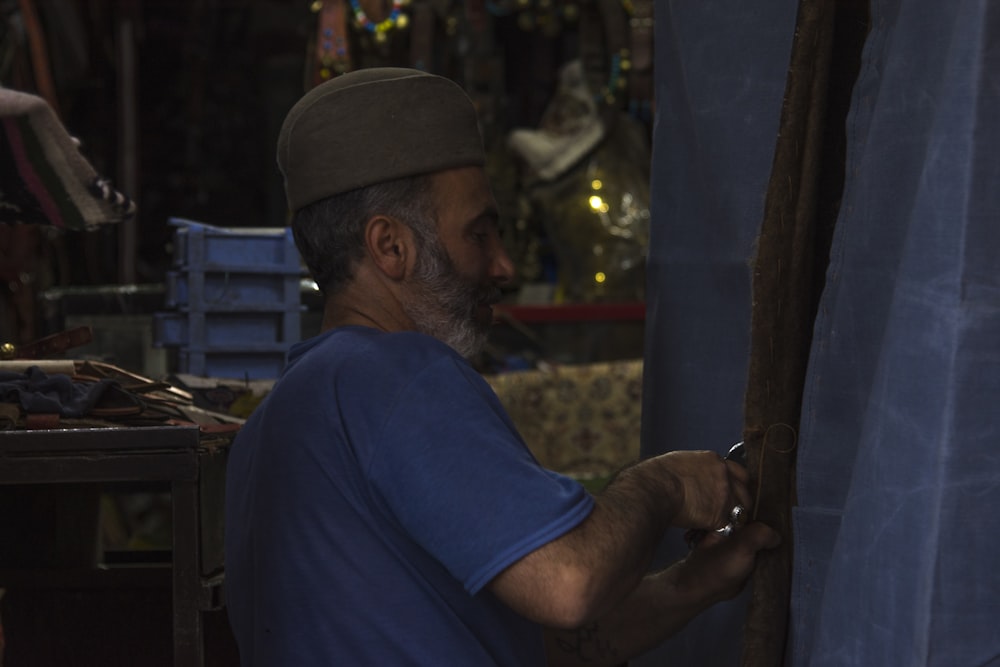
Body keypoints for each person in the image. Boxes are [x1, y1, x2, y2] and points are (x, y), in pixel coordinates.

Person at [224, 67, 779, 666]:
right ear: (390, 247)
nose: (503, 266)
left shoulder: (276, 418)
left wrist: (691, 584)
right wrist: (666, 484)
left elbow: (540, 642)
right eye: (479, 233)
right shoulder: (394, 374)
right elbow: (569, 584)